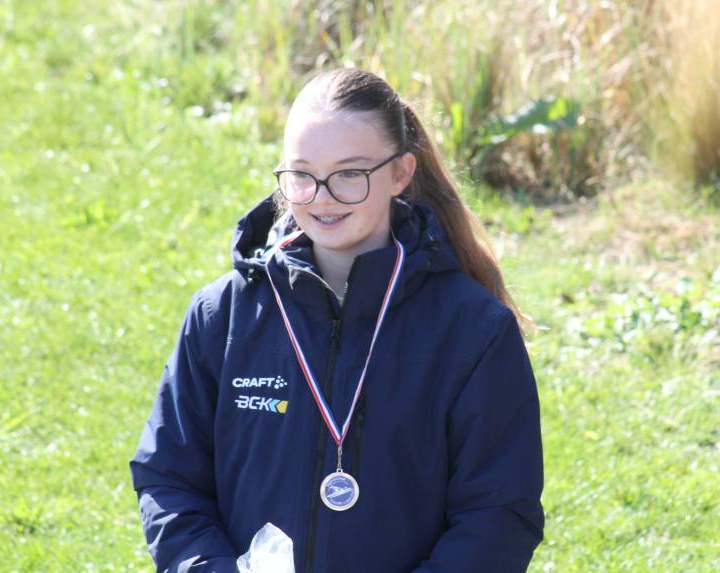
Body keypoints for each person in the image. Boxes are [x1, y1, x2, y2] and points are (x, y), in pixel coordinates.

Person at [129, 67, 545, 572]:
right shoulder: (222, 316)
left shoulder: (473, 331)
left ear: (401, 173)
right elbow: (169, 478)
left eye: (350, 174)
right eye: (302, 174)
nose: (322, 196)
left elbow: (499, 514)